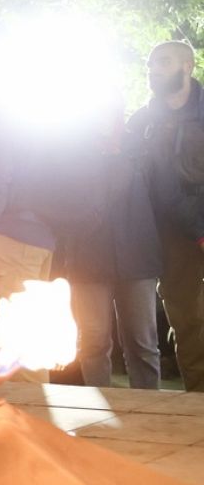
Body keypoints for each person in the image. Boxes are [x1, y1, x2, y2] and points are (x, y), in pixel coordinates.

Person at [65, 94, 201, 389]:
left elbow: (168, 197)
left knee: (143, 343)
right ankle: (99, 412)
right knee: (93, 341)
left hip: (139, 257)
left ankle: (150, 409)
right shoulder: (72, 151)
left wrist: (198, 230)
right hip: (86, 261)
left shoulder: (142, 148)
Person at [128, 40, 204, 392]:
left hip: (197, 225)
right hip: (173, 239)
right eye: (150, 64)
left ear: (187, 66)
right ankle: (198, 406)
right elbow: (149, 189)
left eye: (164, 61)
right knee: (190, 323)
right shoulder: (142, 124)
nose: (153, 69)